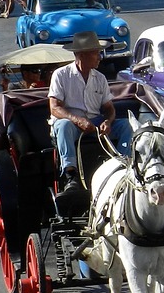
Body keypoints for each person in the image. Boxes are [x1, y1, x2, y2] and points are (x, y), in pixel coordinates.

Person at [48, 31, 133, 193]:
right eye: (96, 53)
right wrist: (78, 120)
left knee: (126, 125)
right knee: (64, 125)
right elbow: (54, 108)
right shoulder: (61, 75)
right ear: (81, 55)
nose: (100, 57)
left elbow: (109, 108)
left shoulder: (100, 78)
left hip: (95, 122)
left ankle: (123, 164)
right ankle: (70, 173)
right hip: (71, 124)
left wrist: (107, 121)